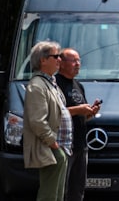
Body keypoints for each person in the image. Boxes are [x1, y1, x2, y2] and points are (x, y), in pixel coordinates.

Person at [23, 41, 72, 201]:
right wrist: (53, 143)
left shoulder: (50, 83)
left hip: (59, 148)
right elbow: (37, 121)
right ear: (43, 60)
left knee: (57, 195)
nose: (60, 60)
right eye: (56, 56)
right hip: (50, 149)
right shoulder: (37, 85)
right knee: (49, 195)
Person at [56, 48, 101, 201]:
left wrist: (89, 112)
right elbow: (54, 113)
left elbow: (80, 116)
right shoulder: (55, 85)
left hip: (81, 145)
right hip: (63, 146)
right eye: (73, 60)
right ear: (61, 63)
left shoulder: (78, 85)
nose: (78, 64)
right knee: (61, 189)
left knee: (77, 190)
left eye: (79, 60)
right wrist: (79, 109)